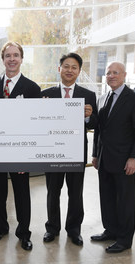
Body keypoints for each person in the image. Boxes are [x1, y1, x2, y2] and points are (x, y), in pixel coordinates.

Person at [0, 41, 41, 251]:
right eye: (8, 55)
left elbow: (35, 123)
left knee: (21, 192)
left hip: (20, 150)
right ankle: (1, 227)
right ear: (2, 59)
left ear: (21, 58)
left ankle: (24, 232)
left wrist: (28, 154)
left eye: (15, 55)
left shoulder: (32, 88)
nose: (12, 59)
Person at [91, 62, 135, 253]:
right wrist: (95, 154)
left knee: (124, 201)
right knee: (106, 197)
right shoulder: (102, 98)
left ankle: (124, 240)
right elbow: (99, 130)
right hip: (104, 159)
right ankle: (111, 230)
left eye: (115, 72)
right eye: (108, 73)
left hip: (125, 161)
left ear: (124, 75)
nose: (111, 76)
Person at [41, 53, 97, 246]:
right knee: (52, 191)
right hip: (53, 151)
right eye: (66, 66)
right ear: (59, 69)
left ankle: (74, 230)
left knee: (75, 192)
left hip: (75, 151)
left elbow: (96, 123)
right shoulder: (46, 95)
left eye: (74, 67)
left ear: (79, 71)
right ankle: (52, 228)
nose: (70, 70)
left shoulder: (88, 95)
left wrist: (88, 117)